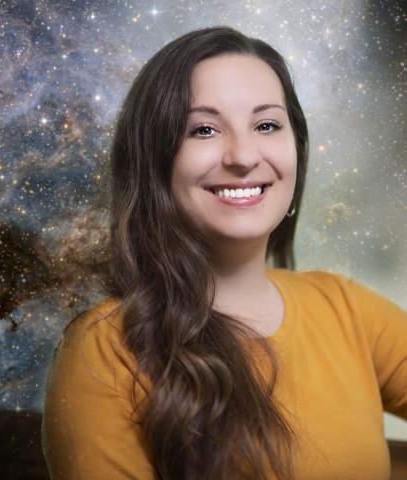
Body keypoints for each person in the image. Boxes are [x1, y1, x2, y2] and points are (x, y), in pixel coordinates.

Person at [41, 26, 407, 480]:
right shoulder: (105, 351)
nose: (243, 155)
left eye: (267, 125)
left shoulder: (345, 307)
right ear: (154, 162)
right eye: (205, 129)